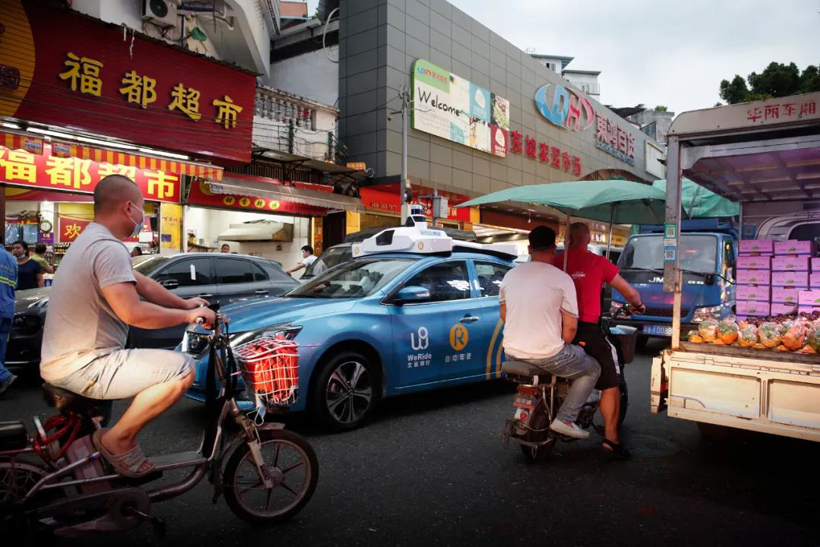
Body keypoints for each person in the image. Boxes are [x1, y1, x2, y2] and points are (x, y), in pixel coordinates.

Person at [40, 175, 215, 478]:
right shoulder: (108, 248)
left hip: (65, 360)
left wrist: (185, 303)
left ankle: (95, 484)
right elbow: (133, 312)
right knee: (183, 368)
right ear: (129, 207)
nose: (142, 217)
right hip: (85, 363)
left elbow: (142, 283)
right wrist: (188, 317)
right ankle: (119, 440)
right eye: (143, 209)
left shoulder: (91, 240)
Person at [499, 226, 601, 439]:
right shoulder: (562, 278)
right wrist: (563, 344)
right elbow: (571, 328)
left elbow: (504, 314)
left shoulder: (510, 275)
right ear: (555, 249)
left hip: (512, 352)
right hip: (548, 355)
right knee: (592, 368)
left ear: (529, 248)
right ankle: (566, 418)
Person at [554, 222, 645, 458]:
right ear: (588, 239)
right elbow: (630, 292)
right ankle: (611, 439)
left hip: (554, 328)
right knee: (611, 381)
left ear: (567, 239)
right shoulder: (598, 262)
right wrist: (638, 304)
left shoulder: (556, 263)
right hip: (586, 329)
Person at [0, 236, 18, 396]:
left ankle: (3, 376)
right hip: (7, 308)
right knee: (1, 347)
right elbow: (14, 285)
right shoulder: (11, 259)